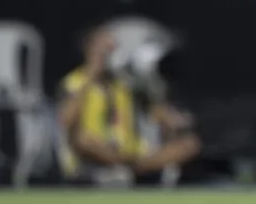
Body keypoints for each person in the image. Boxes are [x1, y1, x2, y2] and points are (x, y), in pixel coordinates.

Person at [56, 27, 201, 187]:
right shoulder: (75, 81)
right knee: (82, 139)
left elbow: (155, 110)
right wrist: (91, 74)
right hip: (94, 155)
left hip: (129, 154)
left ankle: (126, 172)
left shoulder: (124, 82)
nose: (110, 52)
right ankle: (119, 172)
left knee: (189, 144)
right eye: (105, 47)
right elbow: (65, 120)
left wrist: (174, 120)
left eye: (113, 47)